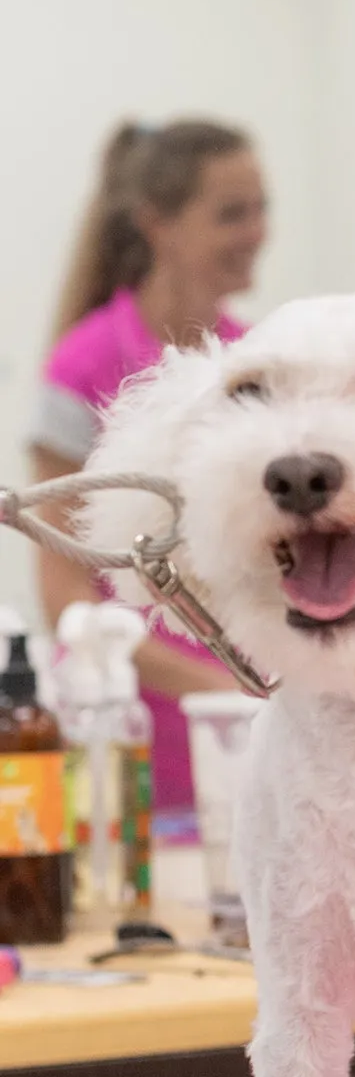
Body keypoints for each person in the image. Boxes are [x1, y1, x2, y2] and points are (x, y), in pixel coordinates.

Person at [30, 120, 270, 815]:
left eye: (261, 208)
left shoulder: (253, 359)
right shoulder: (78, 370)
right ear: (157, 224)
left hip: (242, 738)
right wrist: (214, 685)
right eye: (232, 213)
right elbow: (64, 591)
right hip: (127, 745)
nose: (256, 231)